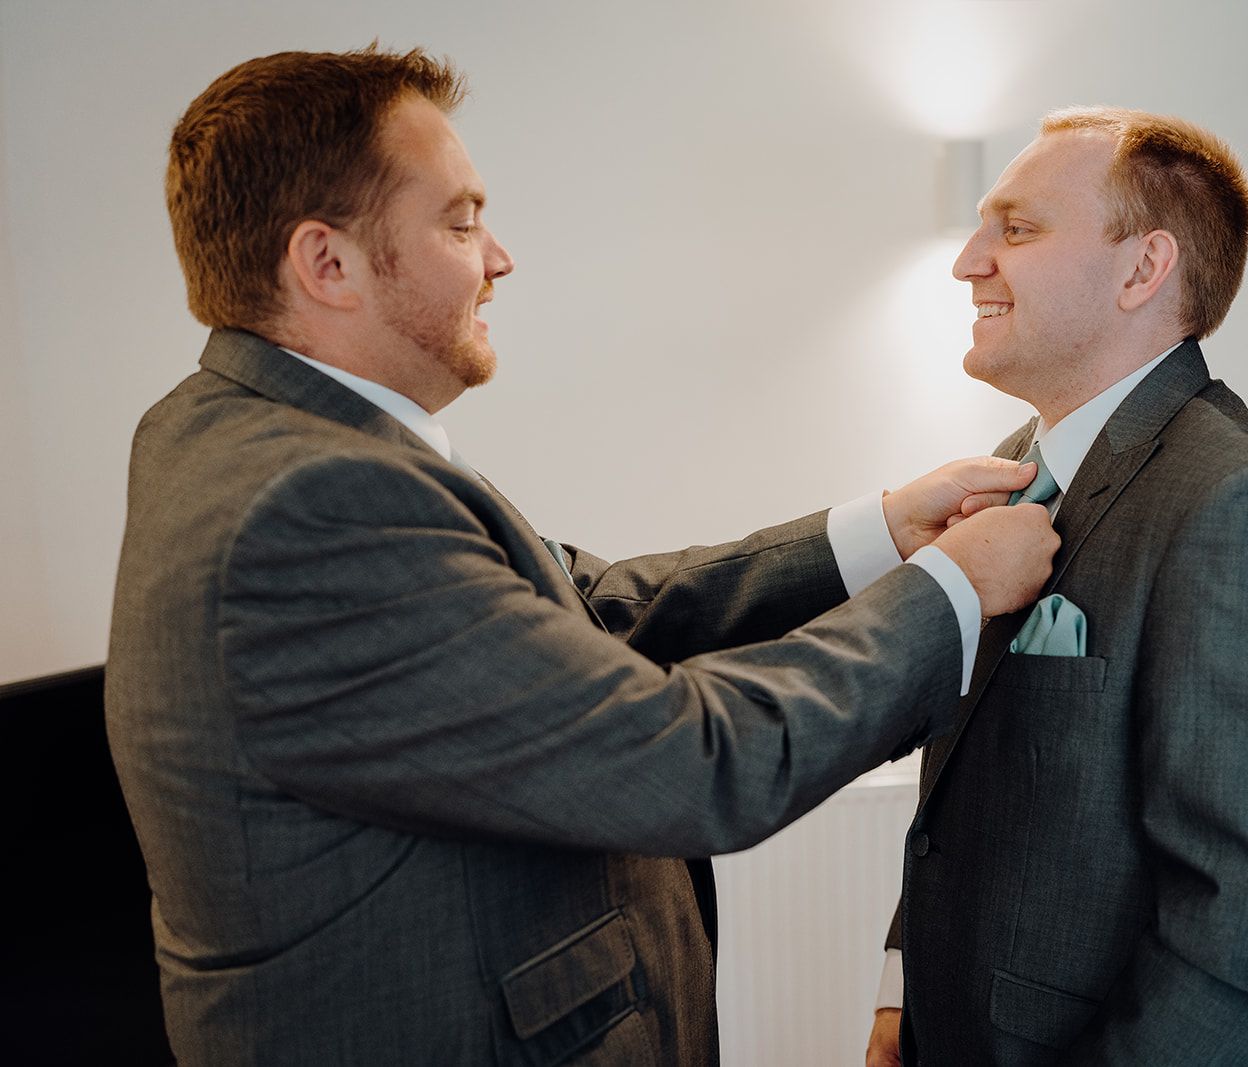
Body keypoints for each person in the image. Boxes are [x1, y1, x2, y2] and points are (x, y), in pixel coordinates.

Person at [105, 47, 1059, 1065]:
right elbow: (693, 762)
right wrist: (946, 592)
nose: (498, 258)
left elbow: (583, 605)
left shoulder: (232, 425)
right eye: (461, 222)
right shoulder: (315, 504)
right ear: (325, 263)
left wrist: (876, 532)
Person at [865, 107, 1248, 1066]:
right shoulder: (1022, 466)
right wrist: (905, 992)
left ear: (1144, 270)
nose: (969, 259)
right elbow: (976, 777)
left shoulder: (1243, 504)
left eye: (1016, 229)